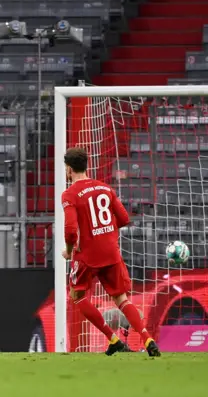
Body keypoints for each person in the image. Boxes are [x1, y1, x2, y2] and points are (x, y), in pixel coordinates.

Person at [61, 147, 160, 357]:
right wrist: (105, 233)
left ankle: (113, 339)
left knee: (76, 295)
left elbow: (70, 231)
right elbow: (124, 218)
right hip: (111, 252)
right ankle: (147, 338)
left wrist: (69, 251)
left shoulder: (69, 194)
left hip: (87, 255)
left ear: (69, 170)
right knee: (122, 299)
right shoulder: (105, 188)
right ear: (86, 166)